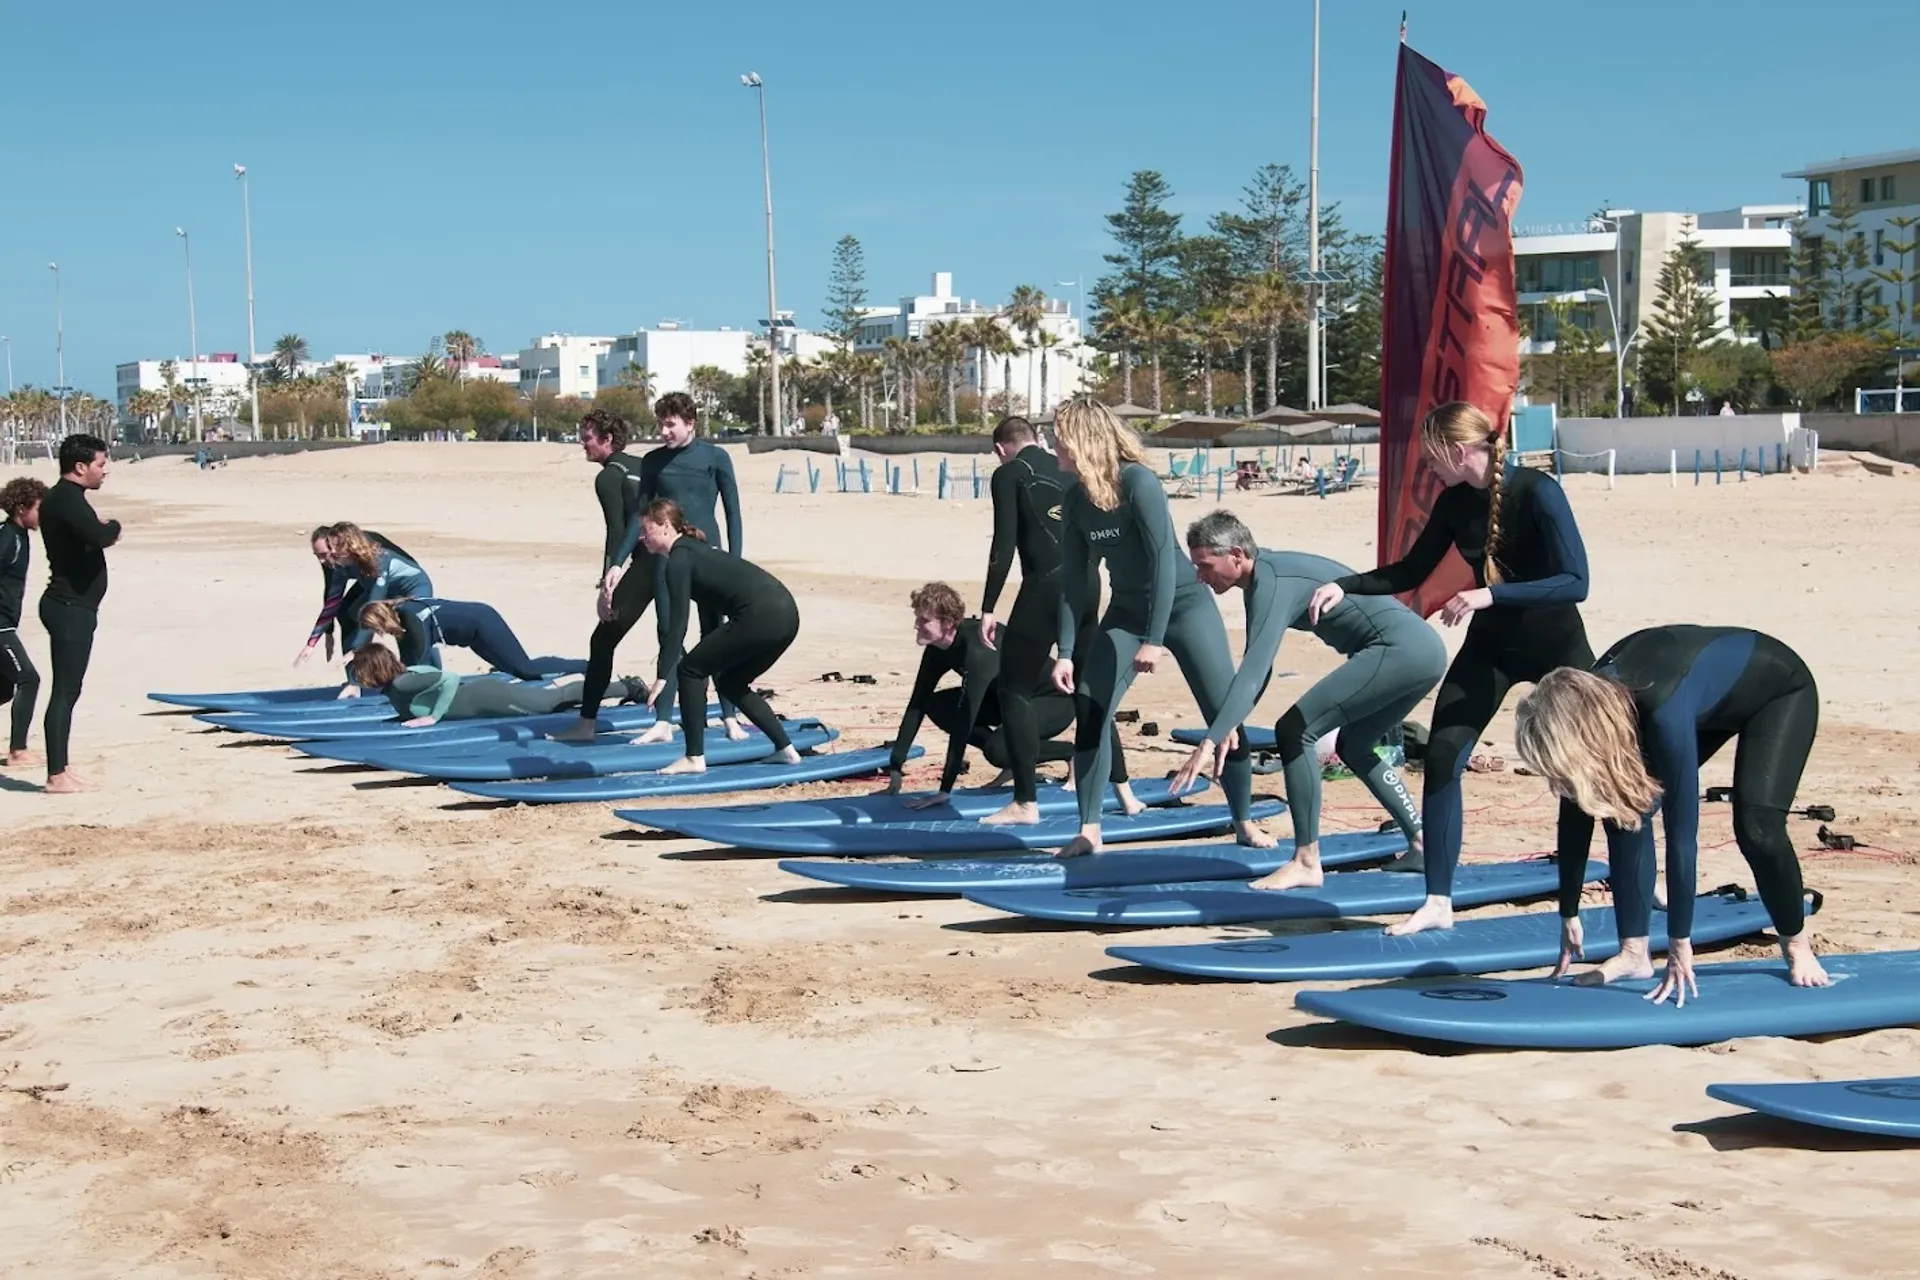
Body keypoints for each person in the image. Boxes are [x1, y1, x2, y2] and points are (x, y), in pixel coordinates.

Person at [1307, 401, 1592, 935]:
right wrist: (1343, 585)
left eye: (1432, 456)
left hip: (1558, 649)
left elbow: (1576, 582)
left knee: (1586, 770)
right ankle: (1438, 901)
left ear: (1459, 451)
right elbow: (1413, 570)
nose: (1427, 468)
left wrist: (1489, 595)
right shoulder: (1456, 501)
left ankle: (1631, 885)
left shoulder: (1539, 492)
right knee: (1441, 757)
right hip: (1491, 649)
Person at [1514, 626, 1828, 1004]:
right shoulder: (1584, 700)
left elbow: (1683, 837)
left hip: (1777, 694)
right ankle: (1634, 954)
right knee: (1623, 807)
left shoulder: (1661, 711)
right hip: (1705, 699)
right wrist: (1569, 912)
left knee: (1757, 827)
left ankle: (1795, 942)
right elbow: (1576, 804)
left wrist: (1680, 943)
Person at [1049, 398, 1275, 859]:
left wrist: (1155, 640)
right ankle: (1089, 829)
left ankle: (1244, 821)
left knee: (1223, 713)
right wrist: (1067, 650)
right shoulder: (1074, 498)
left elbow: (1162, 563)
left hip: (1185, 607)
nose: (1054, 446)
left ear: (1082, 440)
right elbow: (1075, 580)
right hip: (1128, 612)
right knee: (1091, 708)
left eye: (1059, 438)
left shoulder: (1138, 482)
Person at [1173, 510, 1445, 889]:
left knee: (1294, 731)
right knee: (1355, 744)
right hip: (1423, 653)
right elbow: (1261, 667)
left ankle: (1306, 859)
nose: (1200, 576)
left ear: (1236, 555)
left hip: (1398, 651)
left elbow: (1253, 671)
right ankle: (1421, 843)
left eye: (1205, 565)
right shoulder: (1263, 576)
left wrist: (1211, 738)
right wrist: (1228, 724)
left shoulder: (1271, 579)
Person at [887, 581, 1141, 813]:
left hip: (1053, 701)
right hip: (1006, 701)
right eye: (917, 619)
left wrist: (944, 791)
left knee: (996, 751)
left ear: (948, 622)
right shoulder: (937, 650)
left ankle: (1066, 753)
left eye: (924, 621)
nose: (916, 626)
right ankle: (1013, 754)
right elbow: (916, 704)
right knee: (936, 704)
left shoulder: (978, 650)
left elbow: (964, 723)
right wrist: (896, 766)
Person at [629, 500, 800, 775]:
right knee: (731, 681)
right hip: (786, 615)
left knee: (690, 670)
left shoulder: (679, 559)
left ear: (664, 526)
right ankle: (785, 749)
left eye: (645, 529)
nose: (641, 536)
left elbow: (677, 624)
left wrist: (663, 676)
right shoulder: (697, 552)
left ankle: (694, 757)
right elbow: (710, 617)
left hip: (761, 615)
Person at [976, 415, 1082, 824]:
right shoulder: (1068, 466)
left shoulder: (1009, 475)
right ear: (1037, 438)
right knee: (1088, 687)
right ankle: (1123, 790)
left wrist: (989, 607)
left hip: (1044, 588)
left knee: (1014, 691)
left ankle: (1025, 802)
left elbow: (1003, 544)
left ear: (1001, 449)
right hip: (1087, 588)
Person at [555, 405, 682, 743]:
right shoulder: (643, 466)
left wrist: (606, 582)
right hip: (676, 557)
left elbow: (616, 530)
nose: (583, 444)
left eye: (587, 439)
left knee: (602, 639)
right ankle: (671, 720)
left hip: (648, 562)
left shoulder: (609, 476)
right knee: (670, 638)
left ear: (607, 439)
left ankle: (586, 725)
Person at [623, 391, 746, 737]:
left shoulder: (716, 457)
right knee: (669, 634)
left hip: (709, 555)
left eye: (670, 424)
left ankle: (729, 715)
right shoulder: (652, 461)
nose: (663, 431)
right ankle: (663, 721)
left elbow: (733, 512)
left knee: (715, 635)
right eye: (660, 423)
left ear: (690, 423)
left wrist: (734, 562)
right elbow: (639, 517)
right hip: (667, 557)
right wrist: (617, 564)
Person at [38, 435, 121, 794]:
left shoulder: (69, 499)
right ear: (80, 467)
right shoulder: (66, 500)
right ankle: (56, 775)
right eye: (101, 464)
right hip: (69, 607)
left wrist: (102, 529)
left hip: (76, 606)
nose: (106, 471)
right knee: (65, 691)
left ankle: (63, 767)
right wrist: (114, 526)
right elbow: (100, 536)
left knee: (70, 689)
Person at [349, 645, 630, 727]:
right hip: (483, 695)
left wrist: (434, 716)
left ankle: (627, 688)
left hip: (488, 696)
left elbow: (448, 678)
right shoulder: (401, 681)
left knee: (551, 702)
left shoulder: (403, 681)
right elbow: (429, 674)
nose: (360, 680)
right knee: (551, 701)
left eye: (361, 674)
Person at [298, 522, 432, 671]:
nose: (323, 561)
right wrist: (312, 643)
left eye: (324, 554)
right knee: (350, 614)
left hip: (411, 587)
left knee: (411, 630)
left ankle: (426, 674)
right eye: (318, 556)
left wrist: (358, 648)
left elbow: (374, 606)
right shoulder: (338, 563)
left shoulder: (378, 558)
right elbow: (332, 600)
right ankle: (355, 680)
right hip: (376, 584)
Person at [358, 598, 587, 679]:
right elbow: (409, 659)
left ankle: (587, 667)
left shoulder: (411, 618)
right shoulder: (402, 615)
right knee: (516, 671)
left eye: (374, 627)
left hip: (482, 621)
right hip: (473, 636)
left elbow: (418, 660)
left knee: (526, 669)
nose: (378, 633)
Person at [0, 477, 49, 768]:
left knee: (5, 688)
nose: (44, 515)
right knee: (28, 678)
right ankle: (18, 750)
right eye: (40, 509)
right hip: (0, 625)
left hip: (6, 623)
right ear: (21, 508)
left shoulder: (19, 535)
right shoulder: (8, 538)